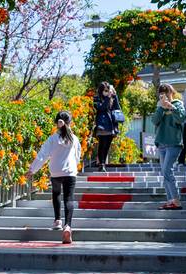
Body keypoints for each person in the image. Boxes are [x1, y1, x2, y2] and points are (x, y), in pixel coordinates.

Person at [28, 110, 81, 244]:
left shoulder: (52, 139)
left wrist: (32, 169)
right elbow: (77, 156)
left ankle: (57, 220)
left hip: (56, 172)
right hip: (69, 172)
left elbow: (42, 155)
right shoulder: (74, 139)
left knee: (56, 194)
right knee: (68, 198)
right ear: (70, 123)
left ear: (57, 123)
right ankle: (68, 226)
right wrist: (74, 167)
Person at [151, 83, 186, 210]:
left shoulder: (178, 104)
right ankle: (170, 200)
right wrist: (161, 107)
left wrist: (171, 107)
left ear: (171, 93)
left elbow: (182, 118)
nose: (164, 95)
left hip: (174, 143)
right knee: (164, 172)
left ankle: (176, 201)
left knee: (167, 170)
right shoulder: (159, 106)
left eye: (166, 92)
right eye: (161, 93)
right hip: (162, 143)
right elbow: (154, 121)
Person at [93, 81, 122, 172]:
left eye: (108, 90)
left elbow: (118, 109)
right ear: (101, 90)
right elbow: (101, 108)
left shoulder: (112, 97)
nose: (107, 92)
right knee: (102, 144)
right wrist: (107, 98)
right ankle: (101, 164)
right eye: (105, 90)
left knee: (107, 146)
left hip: (111, 126)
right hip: (102, 125)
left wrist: (115, 96)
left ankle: (103, 164)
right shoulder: (97, 98)